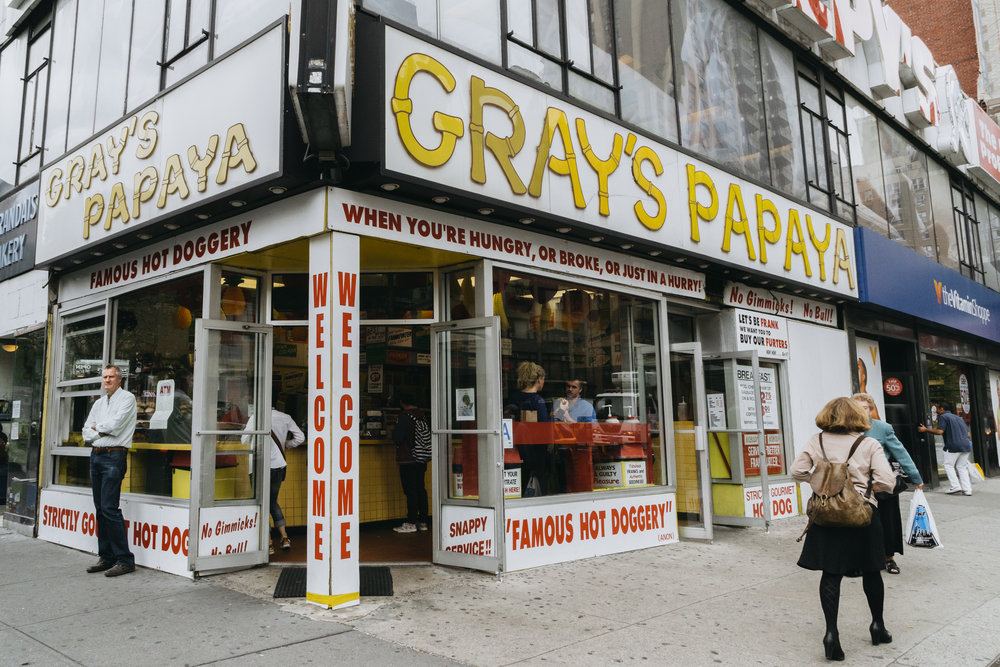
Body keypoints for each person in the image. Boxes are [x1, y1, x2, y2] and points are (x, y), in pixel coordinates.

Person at [792, 397, 895, 661]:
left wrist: (821, 484)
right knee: (872, 570)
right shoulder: (868, 443)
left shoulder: (818, 441)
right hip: (862, 513)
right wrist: (868, 492)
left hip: (826, 515)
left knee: (831, 572)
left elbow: (797, 471)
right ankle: (877, 626)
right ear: (857, 417)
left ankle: (831, 634)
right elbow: (887, 481)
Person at [853, 393, 924, 575]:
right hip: (856, 486)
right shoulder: (845, 429)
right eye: (857, 407)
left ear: (871, 409)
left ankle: (889, 558)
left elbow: (900, 453)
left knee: (888, 521)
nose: (862, 411)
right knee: (858, 523)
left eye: (865, 408)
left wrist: (915, 477)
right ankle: (860, 560)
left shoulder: (882, 428)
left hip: (881, 485)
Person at [82, 365, 138, 577]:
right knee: (100, 508)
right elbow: (86, 431)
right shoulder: (98, 403)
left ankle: (125, 560)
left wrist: (98, 428)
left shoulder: (127, 398)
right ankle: (106, 557)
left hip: (115, 456)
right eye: (104, 377)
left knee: (109, 508)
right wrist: (98, 430)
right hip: (96, 455)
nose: (107, 380)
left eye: (111, 377)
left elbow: (114, 426)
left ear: (119, 379)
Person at [242, 401, 305, 553]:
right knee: (271, 501)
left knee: (261, 503)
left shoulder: (255, 417)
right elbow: (300, 437)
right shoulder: (285, 417)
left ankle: (268, 541)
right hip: (278, 466)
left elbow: (244, 440)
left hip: (258, 466)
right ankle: (284, 538)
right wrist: (286, 446)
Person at [391, 391, 430, 533]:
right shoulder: (422, 416)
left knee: (411, 491)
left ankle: (411, 522)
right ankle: (423, 522)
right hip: (421, 457)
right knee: (421, 489)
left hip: (408, 459)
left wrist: (392, 431)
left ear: (401, 402)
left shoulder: (403, 418)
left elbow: (397, 439)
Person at [509, 362, 550, 496]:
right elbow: (545, 428)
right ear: (539, 380)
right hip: (535, 454)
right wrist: (561, 412)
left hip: (515, 451)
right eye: (543, 379)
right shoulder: (537, 400)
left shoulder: (513, 398)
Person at [918, 401, 973, 496]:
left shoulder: (943, 417)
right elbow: (968, 434)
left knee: (948, 465)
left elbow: (940, 431)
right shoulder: (958, 418)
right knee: (962, 467)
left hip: (953, 445)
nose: (937, 411)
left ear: (942, 409)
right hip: (966, 445)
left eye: (938, 408)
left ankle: (955, 486)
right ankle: (967, 489)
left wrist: (925, 429)